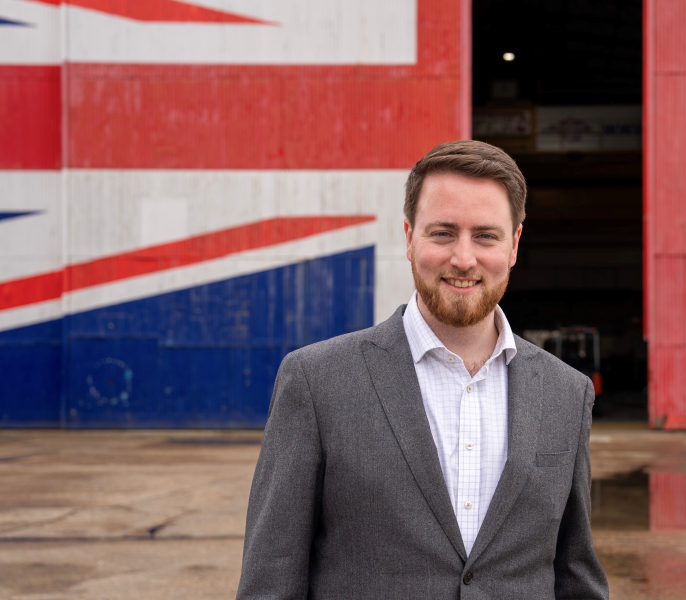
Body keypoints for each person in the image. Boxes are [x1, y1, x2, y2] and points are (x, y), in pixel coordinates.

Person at [236, 140, 609, 600]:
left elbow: (576, 574)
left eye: (486, 236)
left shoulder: (566, 393)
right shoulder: (316, 381)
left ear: (513, 245)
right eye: (443, 233)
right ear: (409, 238)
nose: (464, 258)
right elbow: (270, 579)